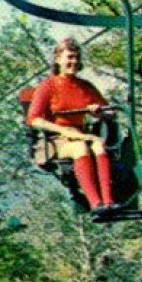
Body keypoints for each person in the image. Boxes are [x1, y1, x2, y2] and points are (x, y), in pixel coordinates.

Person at [25, 37, 117, 217]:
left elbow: (109, 112)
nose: (73, 62)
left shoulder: (85, 86)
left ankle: (108, 201)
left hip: (81, 133)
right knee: (80, 148)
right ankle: (95, 203)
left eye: (76, 58)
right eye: (69, 57)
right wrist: (63, 130)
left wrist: (98, 112)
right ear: (58, 59)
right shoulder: (48, 85)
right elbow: (33, 119)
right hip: (57, 139)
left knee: (98, 144)